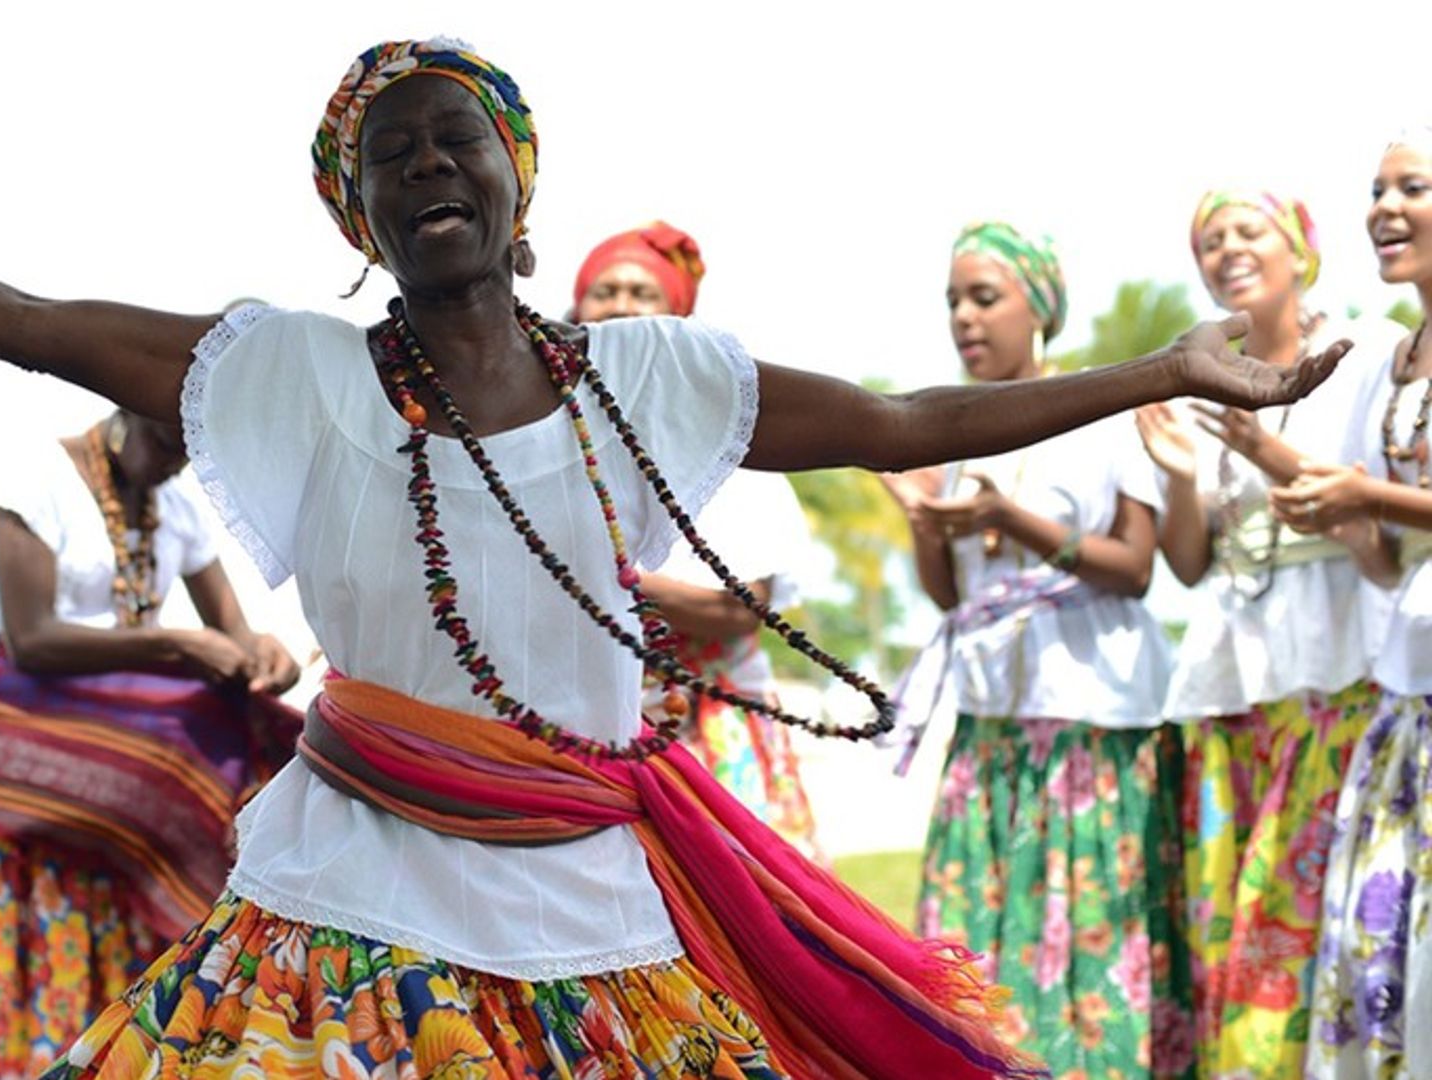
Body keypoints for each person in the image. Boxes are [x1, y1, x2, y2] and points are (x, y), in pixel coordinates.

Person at [0, 38, 1347, 1079]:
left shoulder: (649, 377)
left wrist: (1169, 368)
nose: (429, 166)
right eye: (388, 155)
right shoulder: (288, 373)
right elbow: (26, 318)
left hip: (584, 905)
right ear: (358, 213)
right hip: (336, 900)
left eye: (458, 143)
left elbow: (896, 426)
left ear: (517, 186)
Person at [0, 410, 302, 1078]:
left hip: (125, 797)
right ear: (127, 407)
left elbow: (233, 631)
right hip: (28, 768)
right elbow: (33, 639)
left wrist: (263, 655)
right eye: (167, 443)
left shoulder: (172, 502)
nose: (174, 463)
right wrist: (171, 644)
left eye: (188, 452)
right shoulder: (37, 479)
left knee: (268, 740)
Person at [880, 223, 1191, 1077]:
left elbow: (1133, 570)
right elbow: (952, 597)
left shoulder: (1104, 421)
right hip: (993, 730)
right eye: (953, 301)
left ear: (1040, 309)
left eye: (985, 297)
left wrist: (1009, 517)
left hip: (1087, 727)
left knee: (1087, 939)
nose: (964, 319)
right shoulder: (952, 429)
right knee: (983, 947)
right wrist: (922, 520)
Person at [1134, 189, 1400, 1077]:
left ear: (1299, 249)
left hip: (1337, 664)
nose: (1228, 251)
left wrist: (1260, 450)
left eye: (1249, 231)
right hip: (1230, 679)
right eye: (1210, 240)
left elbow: (1377, 506)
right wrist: (1178, 477)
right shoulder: (1208, 375)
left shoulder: (1367, 349)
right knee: (1234, 917)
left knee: (1315, 906)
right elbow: (1188, 561)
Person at [571, 221, 822, 855]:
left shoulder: (733, 450)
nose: (622, 305)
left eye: (642, 292)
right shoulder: (547, 446)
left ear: (678, 321)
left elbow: (737, 614)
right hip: (589, 739)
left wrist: (598, 570)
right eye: (605, 291)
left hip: (716, 740)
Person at [1270, 129, 1432, 1080]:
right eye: (1376, 188)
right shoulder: (1392, 357)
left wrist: (1364, 497)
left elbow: (1382, 504)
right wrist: (1330, 506)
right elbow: (1385, 563)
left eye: (1413, 186)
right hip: (1404, 708)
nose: (1384, 205)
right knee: (1386, 967)